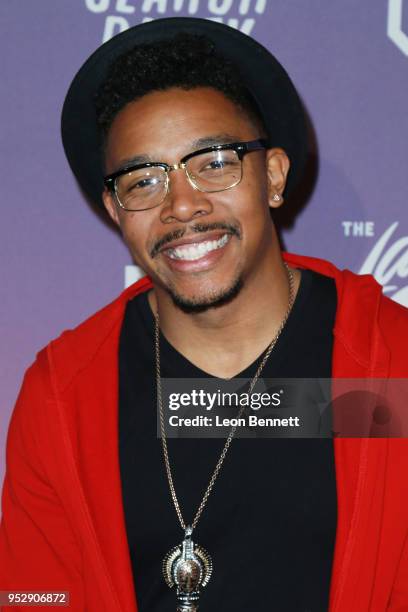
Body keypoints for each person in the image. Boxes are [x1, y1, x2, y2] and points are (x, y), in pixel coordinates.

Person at [1, 17, 407, 612]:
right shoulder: (64, 394)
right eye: (144, 180)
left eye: (213, 162)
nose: (182, 204)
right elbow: (33, 595)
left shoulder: (389, 366)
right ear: (116, 209)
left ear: (272, 175)